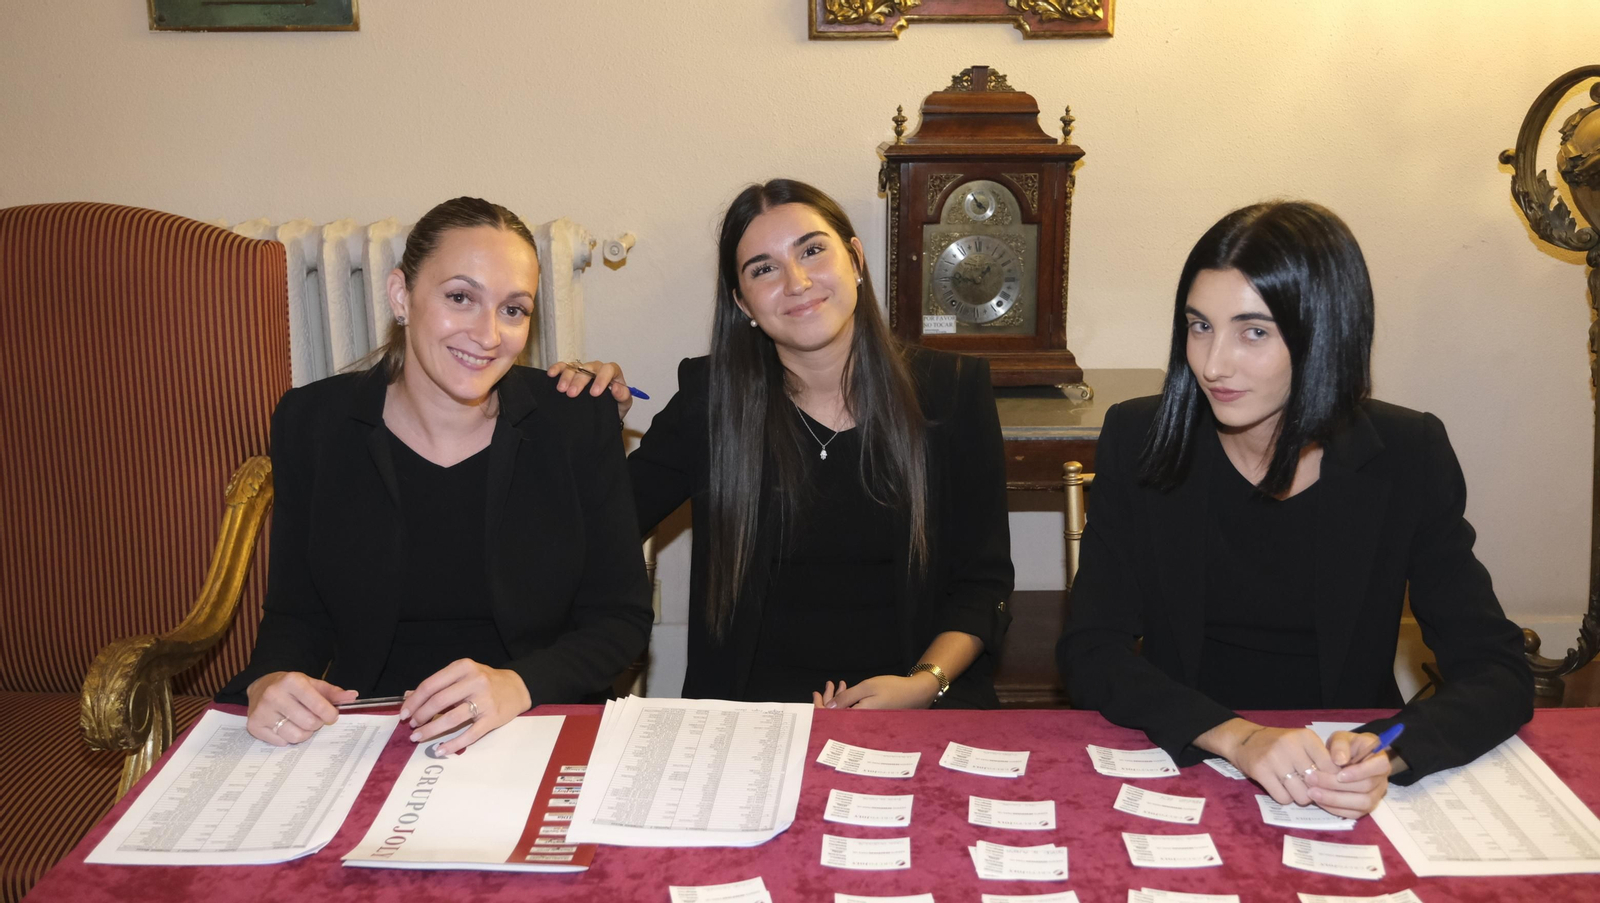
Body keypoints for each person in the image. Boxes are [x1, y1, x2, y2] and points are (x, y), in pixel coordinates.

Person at [1057, 201, 1533, 818]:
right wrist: (1239, 737)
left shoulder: (1406, 454)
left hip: (1337, 770)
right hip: (1189, 752)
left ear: (1323, 334)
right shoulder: (1141, 436)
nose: (1213, 363)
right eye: (1199, 326)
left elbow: (1496, 669)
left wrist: (1387, 752)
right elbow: (1091, 650)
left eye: (1253, 331)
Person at [218, 197, 653, 756]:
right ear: (402, 295)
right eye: (460, 297)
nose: (489, 334)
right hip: (369, 732)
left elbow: (619, 619)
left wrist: (519, 685)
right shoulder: (314, 423)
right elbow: (297, 612)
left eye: (513, 309)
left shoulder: (572, 419)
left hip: (534, 719)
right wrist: (270, 679)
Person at [554, 179, 1013, 708]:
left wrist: (923, 683)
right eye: (763, 269)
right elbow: (596, 530)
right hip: (750, 717)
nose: (796, 281)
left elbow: (984, 583)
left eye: (813, 250)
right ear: (742, 302)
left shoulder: (953, 391)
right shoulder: (712, 400)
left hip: (918, 700)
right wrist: (590, 428)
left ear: (855, 259)